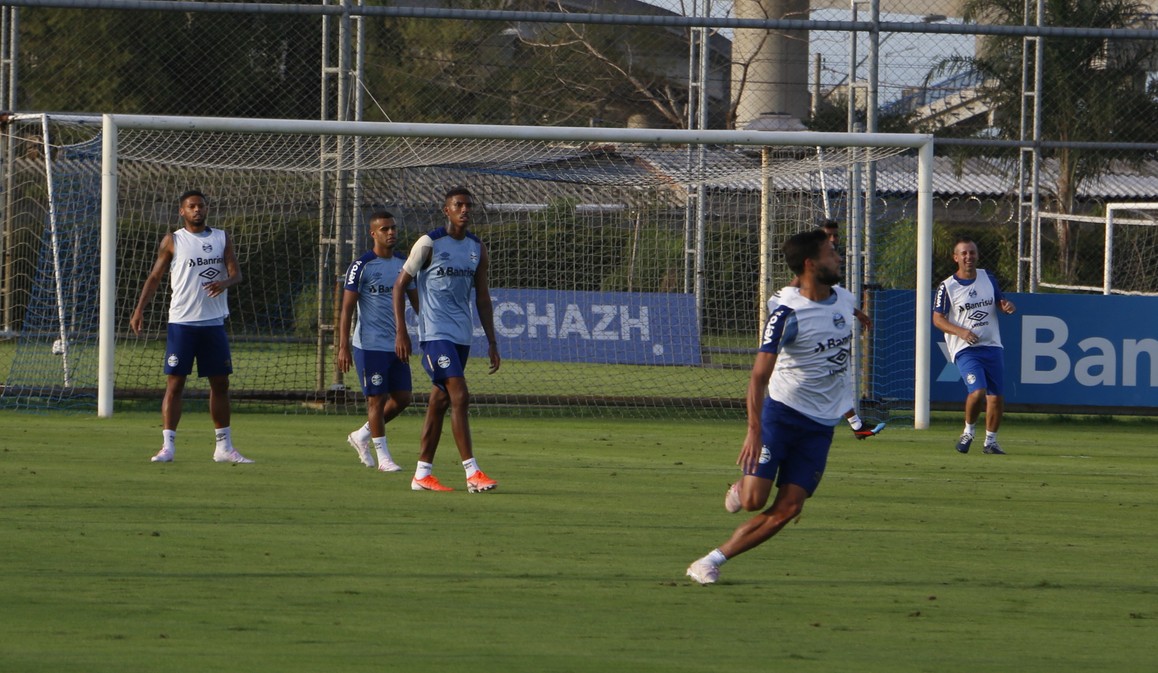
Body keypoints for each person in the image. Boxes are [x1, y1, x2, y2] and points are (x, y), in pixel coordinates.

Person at [687, 229, 856, 584]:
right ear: (811, 264)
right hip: (782, 415)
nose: (839, 257)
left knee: (789, 508)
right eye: (831, 252)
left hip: (821, 427)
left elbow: (841, 316)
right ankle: (741, 487)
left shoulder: (845, 298)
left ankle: (709, 561)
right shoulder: (786, 315)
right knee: (752, 502)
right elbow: (758, 378)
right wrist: (754, 430)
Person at [130, 189, 252, 464]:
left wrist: (224, 283)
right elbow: (155, 276)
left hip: (213, 323)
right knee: (175, 384)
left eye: (201, 206)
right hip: (182, 323)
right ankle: (167, 446)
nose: (197, 210)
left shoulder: (221, 237)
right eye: (192, 206)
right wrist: (139, 309)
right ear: (182, 211)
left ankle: (224, 447)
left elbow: (236, 274)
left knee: (220, 383)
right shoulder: (173, 240)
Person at [393, 187, 500, 493]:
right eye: (459, 205)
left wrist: (492, 341)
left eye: (468, 205)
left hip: (461, 336)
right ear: (446, 210)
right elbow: (400, 286)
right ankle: (472, 473)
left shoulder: (476, 248)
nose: (465, 210)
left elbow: (482, 297)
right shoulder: (429, 243)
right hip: (434, 334)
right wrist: (403, 331)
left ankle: (422, 474)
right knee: (460, 395)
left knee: (438, 404)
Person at [766, 220, 882, 440]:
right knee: (829, 375)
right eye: (828, 236)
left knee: (837, 375)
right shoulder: (810, 268)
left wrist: (858, 314)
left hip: (826, 330)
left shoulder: (832, 270)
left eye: (836, 236)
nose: (833, 240)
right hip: (804, 335)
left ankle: (857, 425)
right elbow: (797, 289)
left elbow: (836, 298)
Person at [337, 211, 420, 473]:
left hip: (397, 344)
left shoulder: (404, 265)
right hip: (369, 344)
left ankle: (362, 435)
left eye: (393, 228)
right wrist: (343, 346)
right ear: (373, 233)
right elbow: (346, 309)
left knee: (403, 397)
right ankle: (384, 458)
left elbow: (417, 303)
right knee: (376, 399)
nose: (391, 232)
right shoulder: (361, 266)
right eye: (385, 229)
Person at [933, 237, 1016, 455]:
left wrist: (1005, 306)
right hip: (966, 349)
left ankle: (990, 442)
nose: (968, 257)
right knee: (978, 391)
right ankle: (968, 431)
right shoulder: (947, 287)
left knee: (996, 397)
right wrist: (961, 332)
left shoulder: (987, 277)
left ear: (977, 255)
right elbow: (937, 319)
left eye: (972, 252)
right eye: (964, 253)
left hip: (993, 346)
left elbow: (999, 300)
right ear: (956, 258)